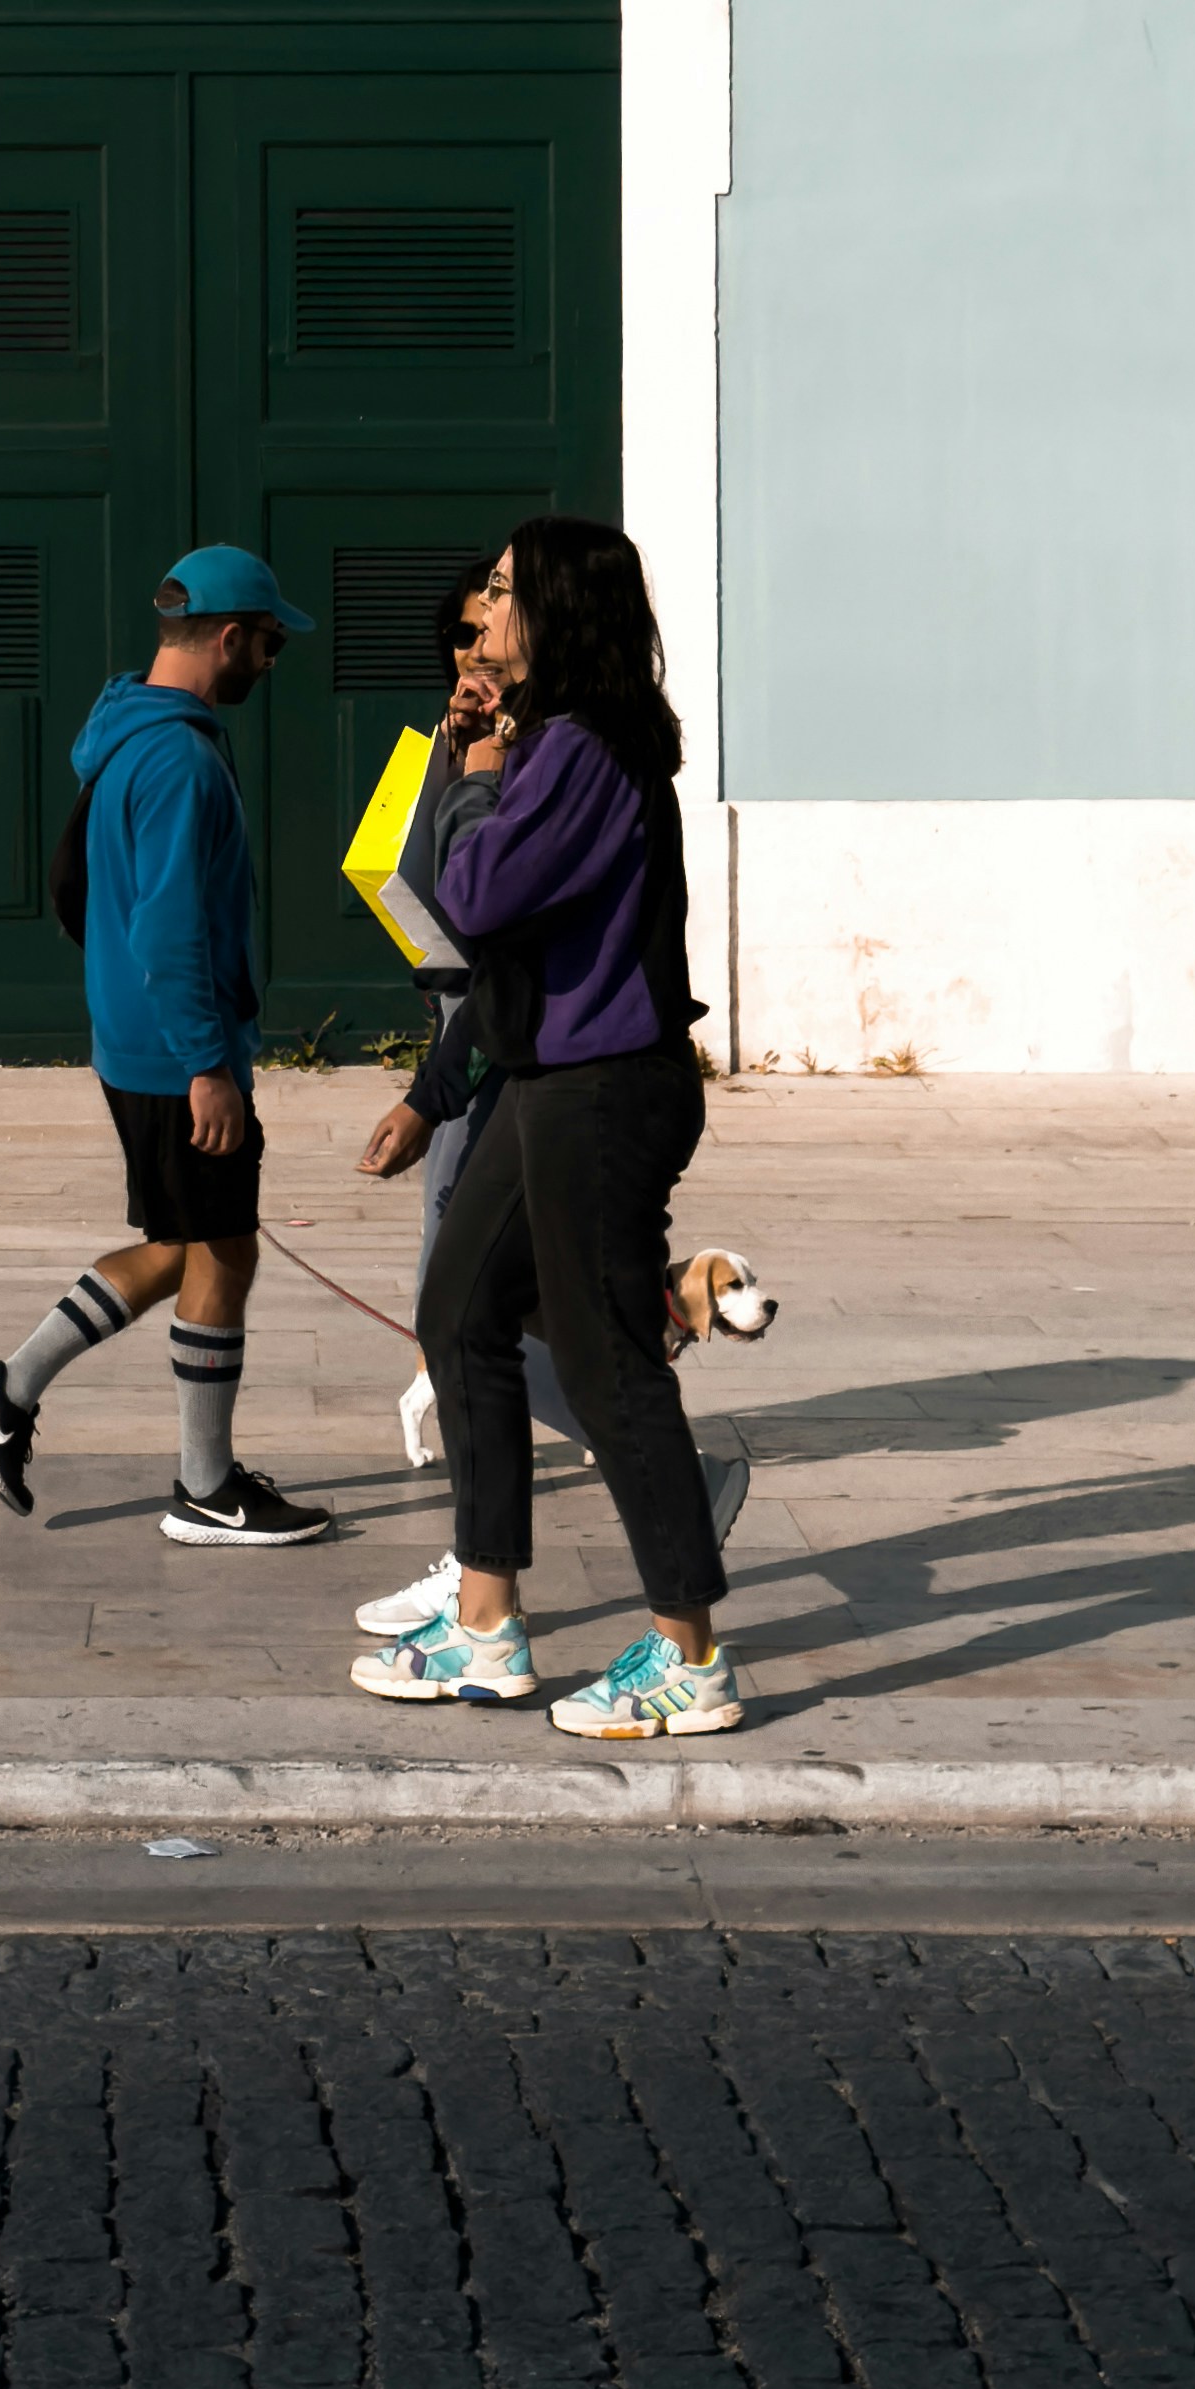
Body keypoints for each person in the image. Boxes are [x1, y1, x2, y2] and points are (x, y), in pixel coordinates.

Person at [359, 511, 738, 1735]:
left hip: (603, 1087)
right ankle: (484, 1624)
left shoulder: (586, 749)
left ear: (560, 612)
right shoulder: (550, 742)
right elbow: (508, 960)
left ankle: (689, 1654)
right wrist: (433, 1093)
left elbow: (474, 898)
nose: (481, 610)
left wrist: (476, 773)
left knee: (604, 1361)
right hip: (545, 1076)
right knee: (458, 1313)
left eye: (504, 589)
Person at [0, 545, 343, 1550]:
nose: (273, 661)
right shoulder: (179, 760)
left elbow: (79, 891)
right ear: (228, 637)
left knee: (182, 1244)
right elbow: (169, 926)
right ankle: (204, 1488)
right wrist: (206, 1063)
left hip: (139, 1036)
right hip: (175, 1054)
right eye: (270, 642)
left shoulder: (126, 733)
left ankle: (6, 1389)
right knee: (223, 1250)